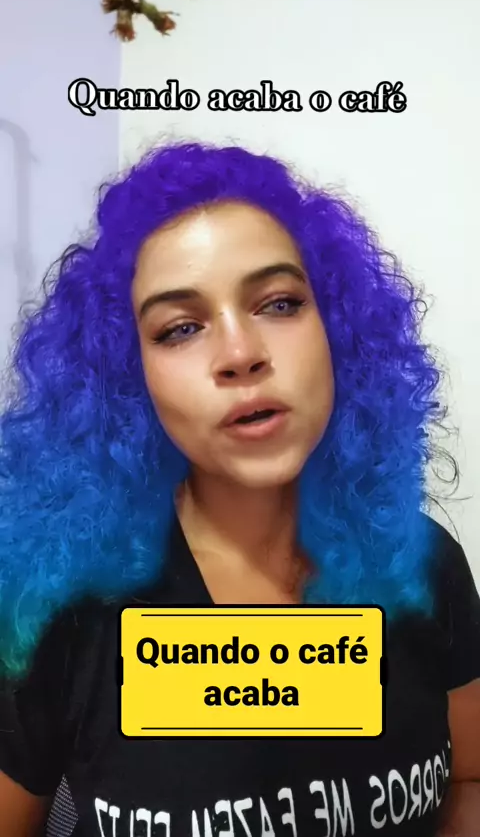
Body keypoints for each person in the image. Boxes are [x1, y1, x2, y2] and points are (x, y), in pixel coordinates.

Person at [0, 141, 479, 837]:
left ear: (337, 332)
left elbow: (468, 778)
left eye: (279, 303)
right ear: (129, 378)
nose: (240, 354)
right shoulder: (62, 605)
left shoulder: (423, 564)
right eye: (181, 329)